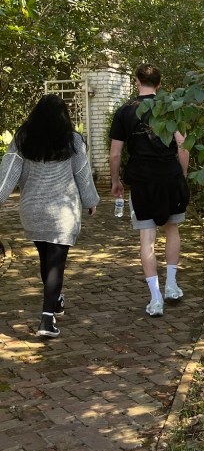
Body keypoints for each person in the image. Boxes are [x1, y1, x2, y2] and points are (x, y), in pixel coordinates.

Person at [0, 94, 99, 338]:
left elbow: (8, 172)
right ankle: (47, 319)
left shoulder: (23, 138)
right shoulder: (73, 140)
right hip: (63, 212)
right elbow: (83, 173)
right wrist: (90, 201)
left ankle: (55, 301)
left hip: (33, 210)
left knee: (47, 260)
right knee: (56, 263)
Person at [109, 64, 190, 317]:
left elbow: (115, 154)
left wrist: (115, 181)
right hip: (170, 176)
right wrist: (182, 175)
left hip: (141, 180)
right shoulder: (170, 108)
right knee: (172, 228)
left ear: (137, 82)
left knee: (147, 237)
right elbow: (183, 145)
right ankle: (172, 286)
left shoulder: (125, 111)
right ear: (159, 83)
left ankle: (155, 299)